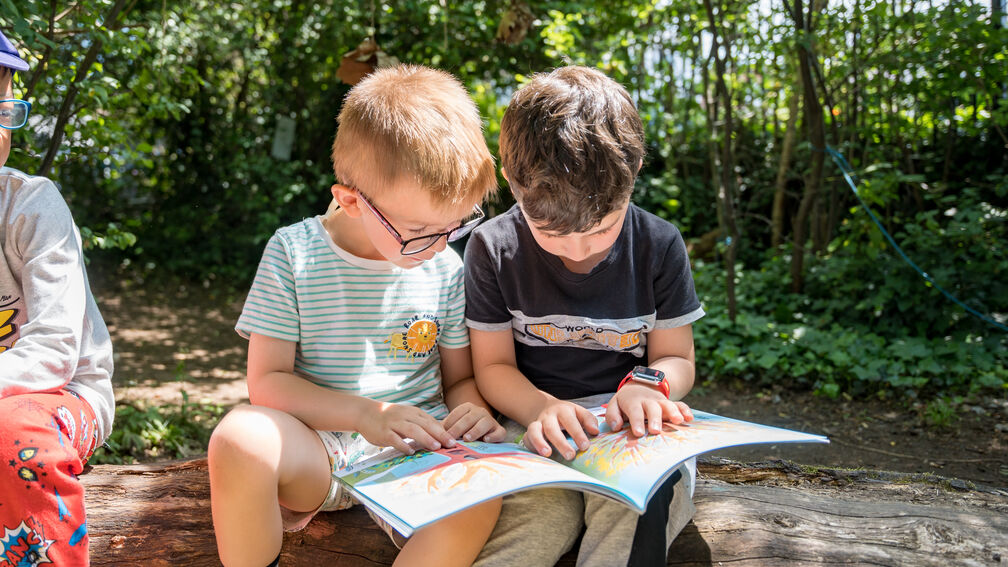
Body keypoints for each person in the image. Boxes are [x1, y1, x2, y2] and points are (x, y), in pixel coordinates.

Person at [208, 64, 506, 567]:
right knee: (239, 437)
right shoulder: (295, 254)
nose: (436, 247)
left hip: (420, 451)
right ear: (350, 200)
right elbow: (268, 383)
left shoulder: (444, 266)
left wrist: (472, 409)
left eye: (453, 228)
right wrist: (364, 415)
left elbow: (459, 380)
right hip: (321, 448)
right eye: (418, 230)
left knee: (481, 499)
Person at [465, 65, 705, 566]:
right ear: (512, 182)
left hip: (633, 430)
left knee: (637, 504)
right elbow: (491, 368)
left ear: (634, 173)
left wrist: (648, 385)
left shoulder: (659, 245)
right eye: (551, 233)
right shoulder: (493, 247)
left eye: (603, 228)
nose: (577, 249)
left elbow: (677, 358)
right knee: (530, 517)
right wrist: (539, 410)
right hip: (532, 424)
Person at [0, 29, 115, 566]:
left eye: (3, 111)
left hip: (62, 396)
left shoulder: (30, 207)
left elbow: (53, 348)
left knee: (10, 430)